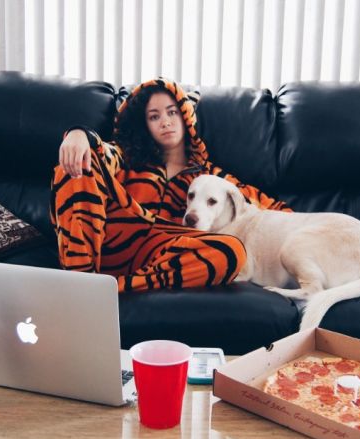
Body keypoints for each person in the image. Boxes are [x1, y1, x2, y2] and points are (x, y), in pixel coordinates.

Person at [51, 78, 290, 292]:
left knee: (231, 250)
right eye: (154, 116)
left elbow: (280, 216)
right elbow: (103, 153)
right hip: (111, 241)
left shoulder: (211, 178)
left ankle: (113, 289)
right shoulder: (128, 157)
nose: (165, 122)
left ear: (186, 116)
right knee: (77, 166)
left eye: (172, 112)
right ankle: (79, 284)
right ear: (145, 125)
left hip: (164, 252)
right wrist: (79, 134)